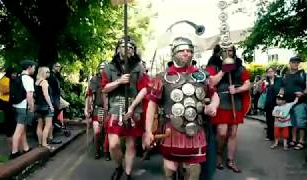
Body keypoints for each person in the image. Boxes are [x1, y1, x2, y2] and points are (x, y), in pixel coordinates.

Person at [144, 36, 220, 180]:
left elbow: (214, 95)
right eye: (182, 50)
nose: (186, 53)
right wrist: (148, 131)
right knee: (170, 170)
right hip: (171, 130)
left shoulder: (202, 75)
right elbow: (152, 104)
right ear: (173, 53)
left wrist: (213, 105)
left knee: (193, 171)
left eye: (189, 50)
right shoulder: (162, 77)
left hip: (196, 129)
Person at [102, 37, 149, 180]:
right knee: (113, 144)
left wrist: (133, 106)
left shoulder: (139, 67)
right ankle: (119, 166)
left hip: (133, 108)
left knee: (130, 144)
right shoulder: (109, 67)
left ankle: (128, 174)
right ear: (118, 49)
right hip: (115, 108)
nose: (127, 49)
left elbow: (144, 88)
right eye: (124, 46)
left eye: (130, 47)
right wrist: (118, 81)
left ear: (133, 51)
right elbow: (104, 88)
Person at [206, 44, 251, 173]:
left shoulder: (240, 67)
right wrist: (223, 70)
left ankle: (230, 160)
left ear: (234, 52)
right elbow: (211, 82)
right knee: (222, 132)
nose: (228, 53)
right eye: (224, 51)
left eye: (230, 50)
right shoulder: (214, 66)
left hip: (235, 102)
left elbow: (248, 84)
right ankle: (219, 153)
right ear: (220, 53)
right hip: (220, 101)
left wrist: (237, 89)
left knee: (233, 133)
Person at [280, 56, 307, 150]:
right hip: (288, 103)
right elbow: (282, 88)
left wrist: (303, 93)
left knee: (301, 122)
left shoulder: (302, 74)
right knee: (292, 123)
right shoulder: (286, 75)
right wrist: (280, 99)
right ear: (290, 63)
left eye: (297, 62)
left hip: (300, 102)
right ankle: (293, 140)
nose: (296, 64)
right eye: (294, 62)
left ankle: (301, 141)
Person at [10, 60, 36, 159]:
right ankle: (14, 153)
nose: (34, 69)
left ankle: (26, 148)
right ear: (29, 67)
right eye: (33, 67)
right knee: (18, 130)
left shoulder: (18, 77)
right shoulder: (29, 79)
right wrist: (32, 108)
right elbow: (29, 95)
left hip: (16, 106)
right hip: (23, 107)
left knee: (22, 129)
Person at [85, 62, 111, 160]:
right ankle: (97, 150)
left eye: (104, 68)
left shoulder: (111, 79)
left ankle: (106, 151)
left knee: (108, 131)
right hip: (98, 108)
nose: (102, 70)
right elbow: (89, 95)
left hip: (109, 109)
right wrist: (87, 109)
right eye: (101, 68)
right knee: (97, 132)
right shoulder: (94, 80)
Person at [35, 67, 55, 150]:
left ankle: (40, 143)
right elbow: (46, 95)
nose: (49, 73)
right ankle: (44, 143)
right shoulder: (44, 82)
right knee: (48, 125)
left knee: (39, 125)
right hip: (46, 106)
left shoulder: (36, 82)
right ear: (43, 73)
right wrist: (51, 105)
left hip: (38, 106)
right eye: (47, 72)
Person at [0, 67, 17, 151]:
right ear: (10, 73)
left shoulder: (8, 79)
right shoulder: (5, 80)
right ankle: (9, 134)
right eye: (14, 74)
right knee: (9, 119)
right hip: (5, 101)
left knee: (10, 118)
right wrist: (13, 88)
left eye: (16, 74)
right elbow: (4, 91)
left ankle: (10, 133)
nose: (15, 75)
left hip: (8, 101)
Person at [264, 67, 282, 141]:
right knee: (269, 120)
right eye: (268, 72)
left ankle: (278, 135)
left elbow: (277, 90)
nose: (270, 73)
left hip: (276, 103)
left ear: (274, 72)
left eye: (271, 71)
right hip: (268, 103)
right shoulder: (266, 81)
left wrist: (271, 84)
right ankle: (270, 135)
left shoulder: (279, 80)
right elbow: (262, 91)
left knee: (277, 120)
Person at [47, 62, 62, 144]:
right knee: (51, 119)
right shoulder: (51, 76)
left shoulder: (56, 75)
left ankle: (50, 137)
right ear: (53, 66)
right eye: (57, 66)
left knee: (53, 118)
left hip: (56, 98)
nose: (59, 67)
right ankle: (50, 138)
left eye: (60, 66)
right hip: (53, 99)